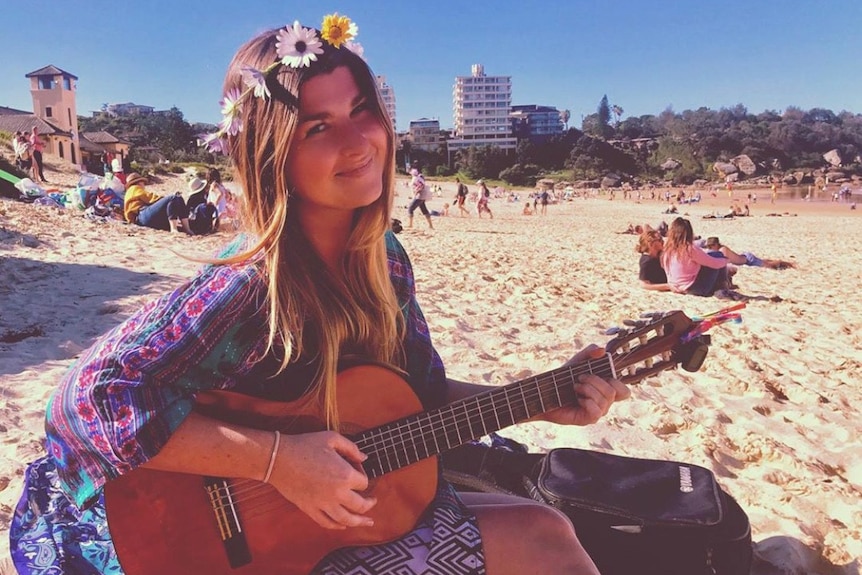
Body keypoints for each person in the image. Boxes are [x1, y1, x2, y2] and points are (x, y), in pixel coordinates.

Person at [10, 14, 629, 575]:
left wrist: (541, 401)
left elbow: (416, 397)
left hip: (314, 525)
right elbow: (81, 406)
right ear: (271, 155)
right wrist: (279, 461)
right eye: (318, 128)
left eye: (363, 110)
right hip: (197, 544)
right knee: (543, 541)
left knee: (545, 527)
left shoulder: (384, 259)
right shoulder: (251, 285)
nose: (359, 141)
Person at [661, 217, 729, 296]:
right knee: (717, 255)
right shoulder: (689, 248)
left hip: (675, 286)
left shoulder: (668, 248)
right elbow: (714, 263)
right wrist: (726, 260)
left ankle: (723, 284)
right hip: (694, 288)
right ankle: (723, 285)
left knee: (710, 256)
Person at [122, 172, 193, 234]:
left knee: (177, 197)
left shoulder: (130, 191)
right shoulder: (135, 188)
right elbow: (149, 198)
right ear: (139, 182)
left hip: (142, 218)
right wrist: (164, 198)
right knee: (174, 198)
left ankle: (184, 228)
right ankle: (183, 228)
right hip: (142, 216)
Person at [703, 237, 796, 270]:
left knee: (770, 266)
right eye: (708, 247)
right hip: (745, 259)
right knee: (765, 262)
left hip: (748, 260)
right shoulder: (719, 249)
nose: (709, 248)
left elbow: (722, 261)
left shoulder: (723, 250)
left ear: (716, 245)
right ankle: (784, 263)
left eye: (710, 246)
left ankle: (787, 264)